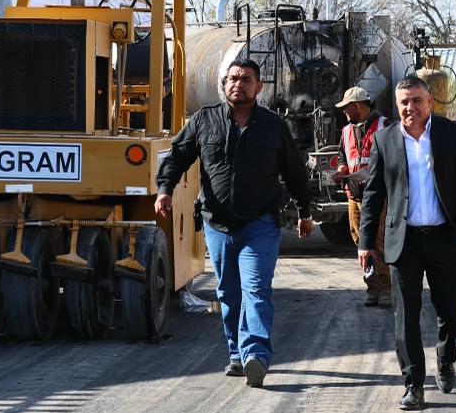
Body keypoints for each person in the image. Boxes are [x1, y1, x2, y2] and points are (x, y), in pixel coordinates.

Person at [155, 58, 314, 388]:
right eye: (233, 78)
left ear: (259, 87)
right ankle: (236, 353)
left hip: (261, 223)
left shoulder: (273, 126)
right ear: (224, 83)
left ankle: (256, 353)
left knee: (256, 289)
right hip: (217, 224)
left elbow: (295, 172)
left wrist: (304, 212)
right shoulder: (204, 120)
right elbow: (178, 156)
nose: (238, 84)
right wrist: (164, 190)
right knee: (228, 293)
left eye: (246, 79)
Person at [358, 75, 456, 411]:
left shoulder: (452, 133)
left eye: (416, 100)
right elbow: (372, 194)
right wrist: (366, 242)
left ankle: (445, 355)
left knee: (451, 310)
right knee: (405, 316)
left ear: (429, 102)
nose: (410, 108)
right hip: (405, 242)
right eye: (404, 103)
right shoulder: (385, 140)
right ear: (396, 107)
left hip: (446, 237)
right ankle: (413, 384)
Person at [334, 86, 392, 307]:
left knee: (378, 242)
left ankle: (386, 288)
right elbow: (343, 155)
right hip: (354, 195)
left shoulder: (384, 126)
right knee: (361, 242)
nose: (344, 112)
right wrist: (341, 170)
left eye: (346, 107)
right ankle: (373, 288)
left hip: (377, 196)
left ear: (357, 105)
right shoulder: (347, 130)